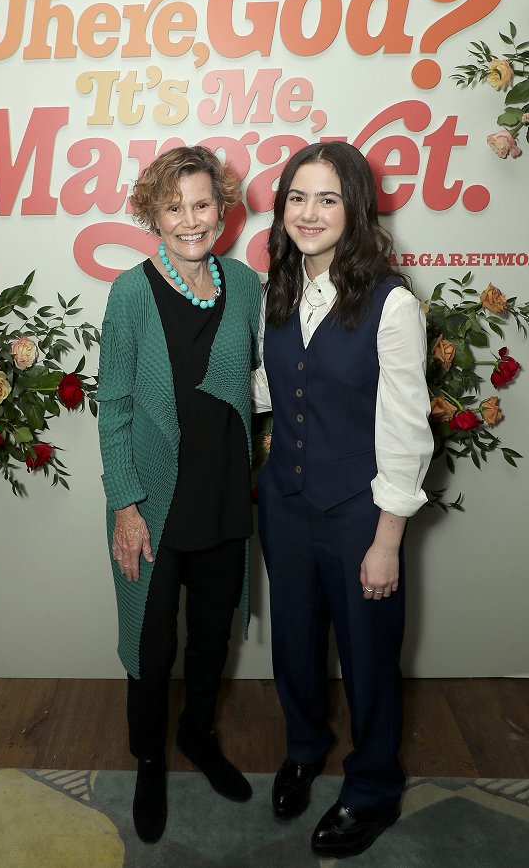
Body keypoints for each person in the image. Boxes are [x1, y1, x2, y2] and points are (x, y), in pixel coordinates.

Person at [253, 141, 433, 859]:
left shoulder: (390, 303)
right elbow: (271, 391)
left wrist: (387, 537)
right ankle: (303, 749)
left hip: (360, 510)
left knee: (367, 658)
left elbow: (403, 427)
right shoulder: (277, 286)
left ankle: (371, 789)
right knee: (293, 647)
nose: (309, 211)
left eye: (327, 198)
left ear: (355, 207)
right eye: (297, 196)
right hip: (285, 503)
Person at [97, 145, 261, 844]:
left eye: (202, 204)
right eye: (174, 206)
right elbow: (115, 404)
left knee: (212, 636)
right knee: (150, 641)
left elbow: (262, 386)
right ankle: (148, 761)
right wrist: (126, 506)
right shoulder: (131, 292)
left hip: (226, 495)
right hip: (153, 504)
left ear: (222, 209)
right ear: (152, 214)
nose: (190, 220)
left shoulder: (248, 284)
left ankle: (197, 736)